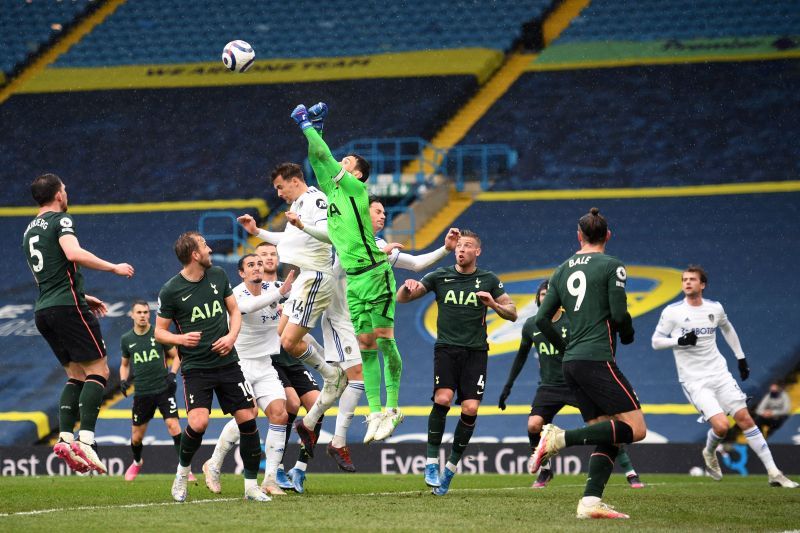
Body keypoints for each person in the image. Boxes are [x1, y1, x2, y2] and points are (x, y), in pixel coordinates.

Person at [292, 102, 405, 440]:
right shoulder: (333, 191)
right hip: (354, 282)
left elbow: (325, 158)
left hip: (374, 272)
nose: (341, 162)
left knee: (385, 342)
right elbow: (317, 160)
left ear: (356, 174)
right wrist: (319, 129)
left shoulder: (356, 191)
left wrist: (305, 125)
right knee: (367, 345)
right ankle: (375, 413)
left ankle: (394, 407)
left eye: (347, 162)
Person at [532, 207, 645, 520]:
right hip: (597, 358)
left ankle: (590, 502)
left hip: (571, 363)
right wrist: (629, 332)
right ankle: (559, 438)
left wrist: (565, 346)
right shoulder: (612, 265)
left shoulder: (561, 269)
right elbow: (620, 314)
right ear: (608, 235)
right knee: (636, 429)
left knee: (609, 431)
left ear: (579, 236)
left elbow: (541, 318)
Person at [23, 173, 134, 474]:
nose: (67, 194)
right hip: (67, 307)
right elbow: (73, 253)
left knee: (75, 374)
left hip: (44, 310)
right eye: (65, 190)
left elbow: (44, 278)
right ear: (58, 195)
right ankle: (86, 440)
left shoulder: (28, 231)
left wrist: (83, 294)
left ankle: (64, 437)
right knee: (99, 371)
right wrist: (113, 267)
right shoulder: (60, 221)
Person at [651, 266, 797, 488]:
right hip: (695, 381)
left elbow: (728, 329)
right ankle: (709, 452)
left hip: (720, 374)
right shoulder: (672, 312)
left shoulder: (714, 308)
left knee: (746, 419)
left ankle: (774, 472)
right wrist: (678, 341)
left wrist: (741, 358)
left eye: (692, 279)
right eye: (684, 279)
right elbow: (656, 341)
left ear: (703, 285)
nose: (687, 282)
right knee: (721, 427)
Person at [397, 229, 517, 495]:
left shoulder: (489, 280)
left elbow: (513, 313)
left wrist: (493, 305)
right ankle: (430, 463)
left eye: (468, 246)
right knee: (442, 399)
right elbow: (402, 299)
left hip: (476, 352)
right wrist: (407, 288)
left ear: (478, 251)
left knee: (471, 409)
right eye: (459, 246)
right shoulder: (440, 276)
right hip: (447, 349)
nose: (461, 249)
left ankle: (449, 470)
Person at [155, 232, 267, 503]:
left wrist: (230, 338)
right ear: (194, 254)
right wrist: (180, 339)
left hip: (227, 363)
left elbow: (235, 312)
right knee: (199, 422)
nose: (210, 249)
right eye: (204, 246)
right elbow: (159, 333)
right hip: (196, 367)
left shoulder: (217, 275)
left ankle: (251, 486)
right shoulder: (171, 290)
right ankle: (182, 473)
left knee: (248, 419)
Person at [498, 281, 644, 489]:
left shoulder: (572, 320)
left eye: (549, 295)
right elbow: (521, 356)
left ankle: (630, 471)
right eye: (541, 295)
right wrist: (508, 386)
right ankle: (545, 470)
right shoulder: (531, 324)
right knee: (533, 425)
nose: (544, 298)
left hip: (575, 383)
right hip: (548, 387)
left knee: (605, 425)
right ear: (537, 299)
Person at [238, 161, 348, 434]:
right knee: (282, 334)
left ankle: (332, 375)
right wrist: (257, 233)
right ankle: (330, 369)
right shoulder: (298, 206)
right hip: (302, 279)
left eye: (279, 187)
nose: (278, 194)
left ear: (294, 181)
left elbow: (331, 234)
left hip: (315, 277)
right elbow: (287, 241)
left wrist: (302, 225)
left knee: (288, 341)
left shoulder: (315, 200)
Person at [202, 253, 294, 495]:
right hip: (239, 364)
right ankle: (213, 463)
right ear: (241, 273)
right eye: (250, 265)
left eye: (259, 265)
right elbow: (251, 307)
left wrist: (289, 301)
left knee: (280, 414)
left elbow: (297, 300)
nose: (256, 268)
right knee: (249, 414)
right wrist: (280, 294)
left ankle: (271, 480)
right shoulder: (236, 295)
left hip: (265, 364)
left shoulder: (274, 287)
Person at [119, 300, 186, 481]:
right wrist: (123, 380)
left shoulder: (159, 334)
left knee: (174, 426)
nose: (142, 315)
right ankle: (137, 461)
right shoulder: (127, 339)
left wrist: (172, 375)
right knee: (136, 437)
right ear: (132, 315)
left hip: (163, 389)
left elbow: (177, 355)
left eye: (146, 312)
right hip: (142, 392)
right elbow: (124, 364)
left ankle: (184, 469)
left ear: (150, 314)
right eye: (139, 312)